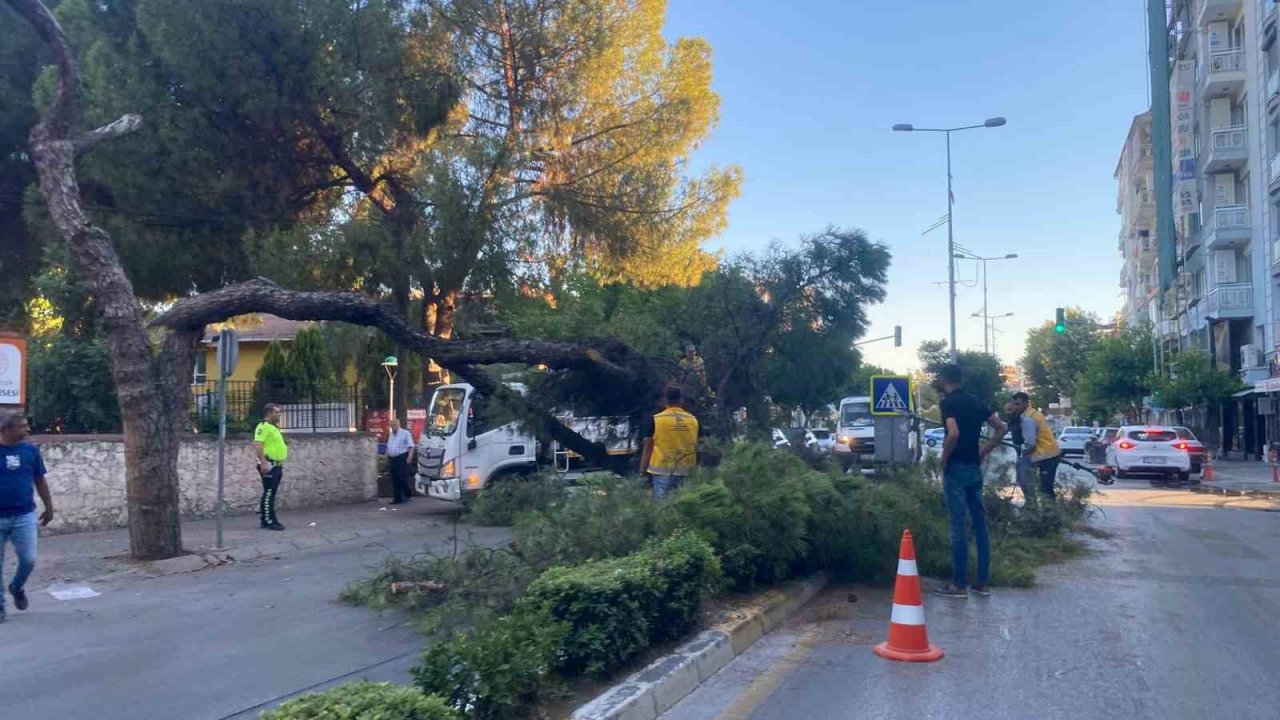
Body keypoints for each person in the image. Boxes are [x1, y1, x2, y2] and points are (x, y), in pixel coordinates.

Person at [934, 364, 1006, 599]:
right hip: (974, 468)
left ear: (944, 379)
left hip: (956, 468)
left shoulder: (948, 403)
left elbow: (952, 433)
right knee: (979, 524)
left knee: (958, 524)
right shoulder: (977, 402)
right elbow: (1001, 428)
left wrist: (944, 458)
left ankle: (958, 584)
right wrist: (982, 452)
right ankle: (982, 583)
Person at [0, 410, 54, 624]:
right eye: (22, 426)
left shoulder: (30, 451)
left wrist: (49, 507)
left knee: (29, 559)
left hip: (24, 515)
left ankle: (17, 586)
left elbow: (40, 480)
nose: (27, 429)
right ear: (6, 429)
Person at [640, 385, 699, 500]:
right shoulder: (693, 420)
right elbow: (700, 445)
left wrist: (642, 472)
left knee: (665, 510)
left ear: (665, 400)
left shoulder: (656, 420)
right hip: (688, 472)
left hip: (663, 472)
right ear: (681, 400)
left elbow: (648, 448)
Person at [1011, 392, 1063, 503]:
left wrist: (1021, 456)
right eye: (1015, 404)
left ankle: (1046, 512)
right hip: (1045, 454)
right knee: (1044, 486)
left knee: (1045, 488)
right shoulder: (1033, 413)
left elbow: (1030, 444)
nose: (1016, 407)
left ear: (1026, 403)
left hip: (1047, 455)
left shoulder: (1028, 419)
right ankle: (1040, 510)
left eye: (1018, 404)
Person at [253, 404, 288, 531]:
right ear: (269, 413)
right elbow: (258, 445)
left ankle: (265, 519)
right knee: (269, 493)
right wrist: (263, 463)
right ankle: (270, 521)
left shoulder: (274, 427)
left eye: (279, 412)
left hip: (276, 465)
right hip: (269, 465)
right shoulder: (263, 427)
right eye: (277, 412)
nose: (279, 414)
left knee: (270, 493)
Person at [1005, 400, 1040, 509]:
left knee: (1026, 480)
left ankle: (1032, 505)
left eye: (1010, 411)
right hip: (1022, 454)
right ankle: (1030, 503)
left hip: (1029, 455)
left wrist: (1022, 454)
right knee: (1021, 479)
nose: (1008, 414)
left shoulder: (1026, 421)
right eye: (1007, 412)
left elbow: (1031, 443)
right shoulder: (1014, 422)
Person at [386, 417, 417, 504]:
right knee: (394, 479)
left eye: (394, 425)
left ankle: (407, 494)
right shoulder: (391, 434)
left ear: (398, 425)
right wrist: (387, 455)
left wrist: (409, 458)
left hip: (401, 457)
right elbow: (389, 445)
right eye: (391, 426)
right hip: (392, 458)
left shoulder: (405, 433)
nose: (393, 427)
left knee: (402, 478)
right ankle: (397, 499)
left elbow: (411, 446)